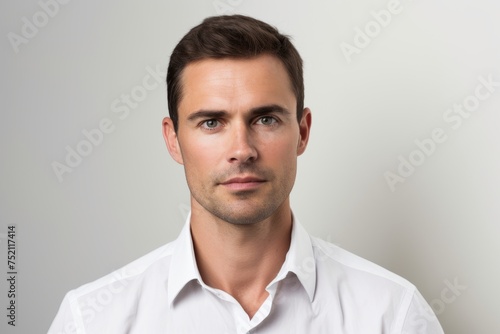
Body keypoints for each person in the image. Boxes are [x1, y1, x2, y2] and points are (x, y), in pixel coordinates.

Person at [48, 15, 444, 334]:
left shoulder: (392, 315)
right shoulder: (91, 321)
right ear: (173, 140)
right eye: (211, 123)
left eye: (266, 119)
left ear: (302, 132)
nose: (242, 150)